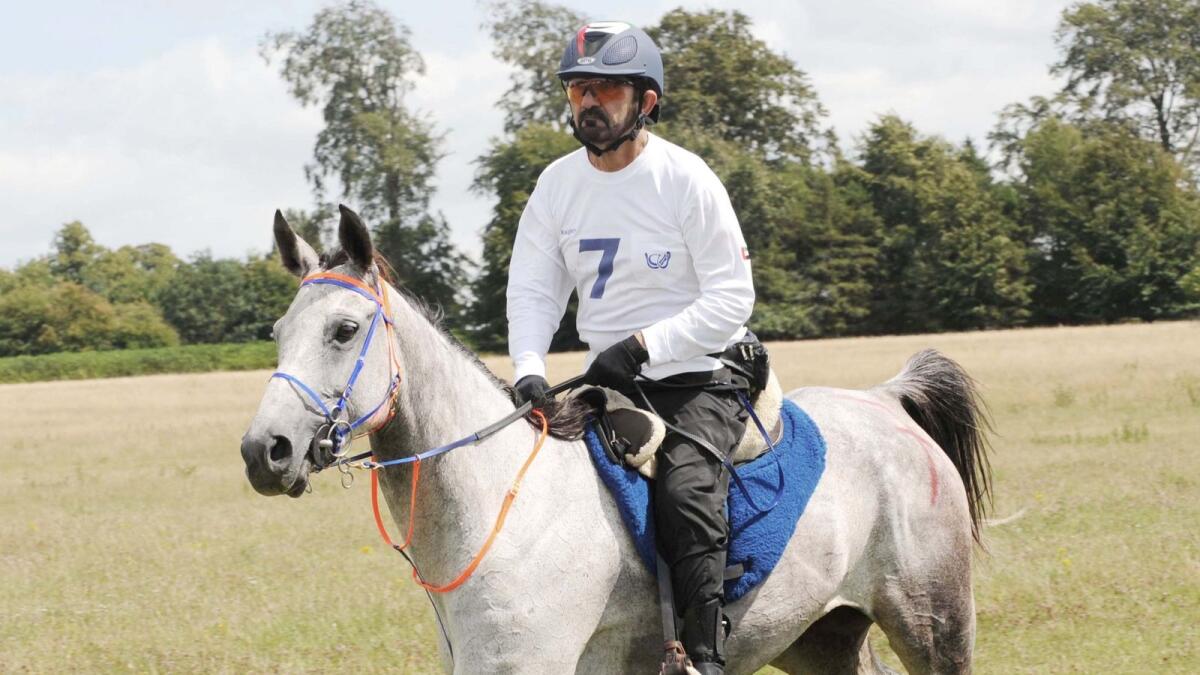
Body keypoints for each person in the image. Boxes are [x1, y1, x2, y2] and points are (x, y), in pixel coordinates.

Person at [505, 21, 755, 675]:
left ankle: (703, 658)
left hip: (700, 373)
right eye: (578, 90)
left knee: (686, 494)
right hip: (611, 379)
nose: (588, 103)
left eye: (605, 90)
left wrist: (644, 347)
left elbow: (733, 297)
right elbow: (533, 289)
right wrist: (530, 368)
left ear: (645, 101)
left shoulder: (685, 179)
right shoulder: (556, 186)